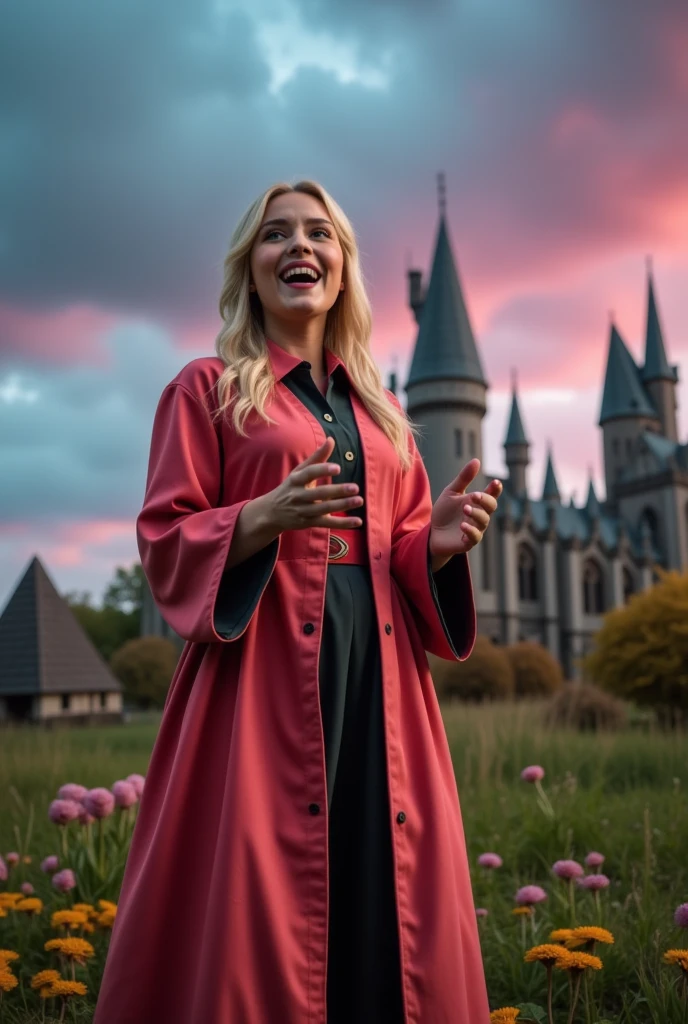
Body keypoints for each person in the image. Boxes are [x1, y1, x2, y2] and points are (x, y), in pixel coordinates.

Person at [93, 179, 501, 1024]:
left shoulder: (386, 415)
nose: (299, 247)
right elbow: (163, 539)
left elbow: (401, 546)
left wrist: (440, 546)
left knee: (382, 893)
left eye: (319, 234)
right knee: (261, 905)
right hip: (260, 685)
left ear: (343, 270)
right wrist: (255, 520)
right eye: (276, 235)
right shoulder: (206, 388)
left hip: (381, 685)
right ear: (252, 270)